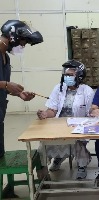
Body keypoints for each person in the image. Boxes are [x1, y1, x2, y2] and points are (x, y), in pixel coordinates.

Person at [37, 59, 94, 179]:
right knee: (43, 143)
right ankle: (52, 162)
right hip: (58, 124)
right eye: (66, 74)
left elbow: (90, 112)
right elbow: (52, 110)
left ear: (79, 76)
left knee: (77, 142)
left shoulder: (87, 90)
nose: (67, 77)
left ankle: (81, 165)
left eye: (70, 75)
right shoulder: (58, 88)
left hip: (78, 125)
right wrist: (45, 114)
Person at [0, 20, 43, 158]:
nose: (22, 47)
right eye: (23, 43)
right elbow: (3, 84)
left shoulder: (5, 57)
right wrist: (6, 85)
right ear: (13, 37)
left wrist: (17, 93)